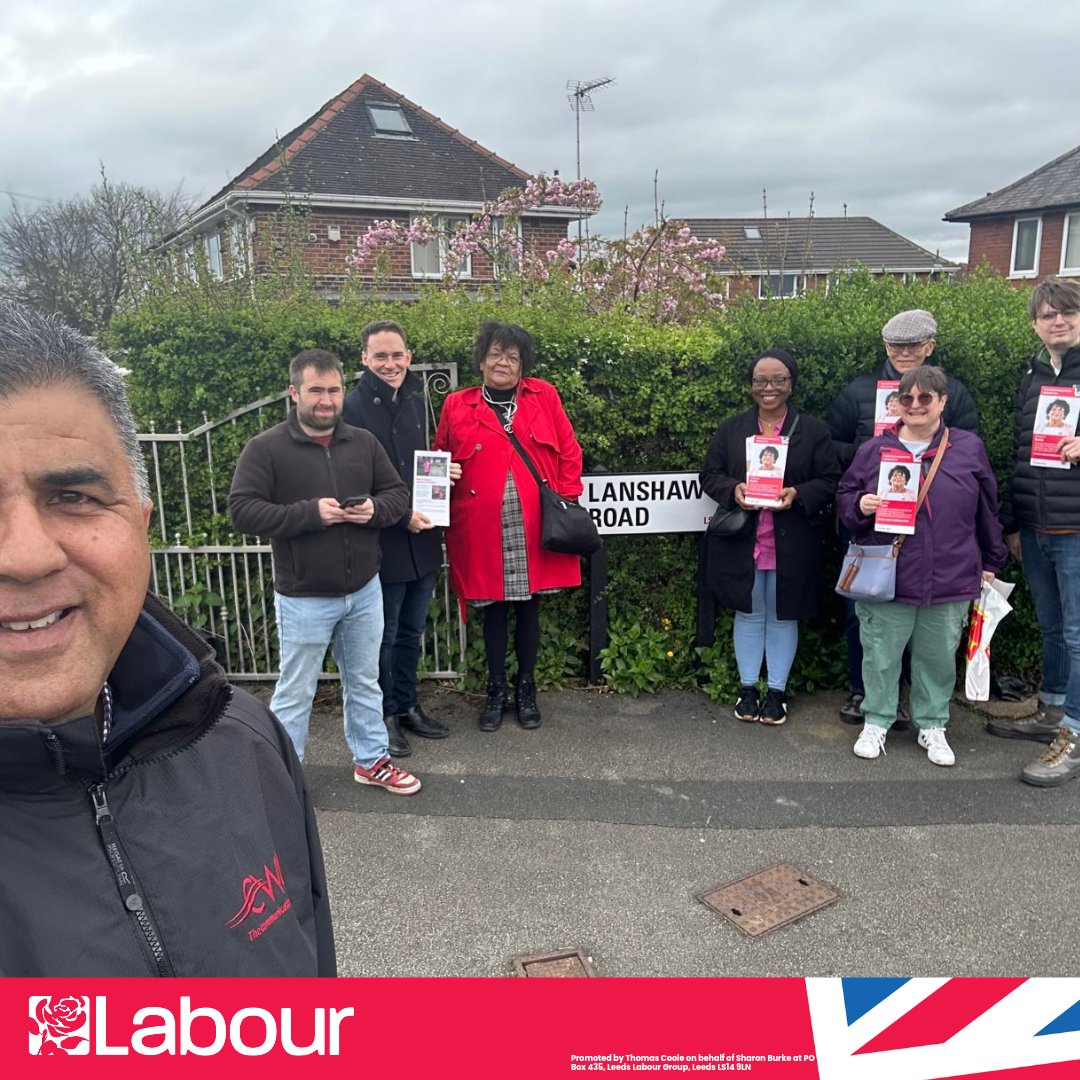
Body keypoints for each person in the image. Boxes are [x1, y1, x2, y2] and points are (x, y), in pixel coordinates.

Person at [0, 302, 335, 975]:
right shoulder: (266, 449)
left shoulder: (242, 737)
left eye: (73, 498)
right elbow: (249, 508)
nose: (26, 556)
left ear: (140, 523)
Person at [230, 348, 420, 796]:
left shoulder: (363, 443)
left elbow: (396, 495)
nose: (326, 400)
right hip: (303, 595)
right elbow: (243, 511)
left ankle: (371, 760)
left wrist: (374, 509)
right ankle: (282, 776)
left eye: (334, 390)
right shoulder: (266, 448)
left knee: (365, 681)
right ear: (294, 392)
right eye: (316, 390)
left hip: (364, 590)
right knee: (296, 691)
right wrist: (310, 513)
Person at [838, 365, 1006, 767]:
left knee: (937, 656)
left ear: (942, 402)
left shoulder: (967, 447)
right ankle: (877, 720)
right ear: (896, 404)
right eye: (907, 399)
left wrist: (992, 559)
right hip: (887, 574)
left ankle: (932, 724)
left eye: (925, 398)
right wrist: (859, 506)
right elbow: (845, 499)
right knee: (880, 653)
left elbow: (988, 508)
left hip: (950, 572)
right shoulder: (873, 450)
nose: (915, 406)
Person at [828, 309, 980, 727]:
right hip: (874, 523)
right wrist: (875, 454)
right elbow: (833, 447)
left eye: (914, 346)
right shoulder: (858, 391)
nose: (905, 353)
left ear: (930, 347)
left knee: (930, 621)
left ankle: (918, 702)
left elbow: (971, 454)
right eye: (897, 346)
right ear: (885, 347)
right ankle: (865, 694)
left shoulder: (955, 394)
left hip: (934, 529)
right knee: (868, 618)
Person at [434, 321, 584, 731]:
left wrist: (567, 499)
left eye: (513, 357)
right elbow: (440, 457)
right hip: (480, 526)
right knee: (493, 611)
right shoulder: (457, 405)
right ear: (481, 360)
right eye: (496, 354)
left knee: (528, 608)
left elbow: (569, 450)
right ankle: (496, 690)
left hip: (534, 522)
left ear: (523, 366)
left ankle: (526, 688)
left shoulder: (544, 395)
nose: (503, 362)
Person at [700, 348, 841, 725]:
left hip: (791, 541)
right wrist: (734, 489)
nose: (769, 388)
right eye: (760, 380)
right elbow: (709, 474)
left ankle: (776, 693)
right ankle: (748, 689)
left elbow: (830, 480)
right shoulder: (732, 429)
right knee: (748, 612)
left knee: (782, 615)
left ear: (791, 384)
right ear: (750, 385)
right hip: (744, 541)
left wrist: (799, 495)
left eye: (778, 380)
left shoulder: (813, 430)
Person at [342, 320, 460, 758]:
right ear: (364, 359)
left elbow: (416, 465)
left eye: (397, 355)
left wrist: (441, 473)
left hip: (423, 538)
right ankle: (383, 717)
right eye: (380, 356)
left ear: (409, 357)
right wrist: (401, 515)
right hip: (384, 540)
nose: (390, 364)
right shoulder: (351, 409)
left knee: (412, 630)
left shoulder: (416, 400)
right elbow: (356, 481)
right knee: (384, 637)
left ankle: (408, 705)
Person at [988, 278, 1080, 786]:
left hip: (1077, 527)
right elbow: (1020, 453)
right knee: (1052, 626)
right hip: (1036, 524)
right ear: (1034, 324)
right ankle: (1054, 709)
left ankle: (1075, 731)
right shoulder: (1034, 375)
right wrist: (1013, 524)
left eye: (1066, 312)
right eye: (1048, 315)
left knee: (1078, 632)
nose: (1058, 321)